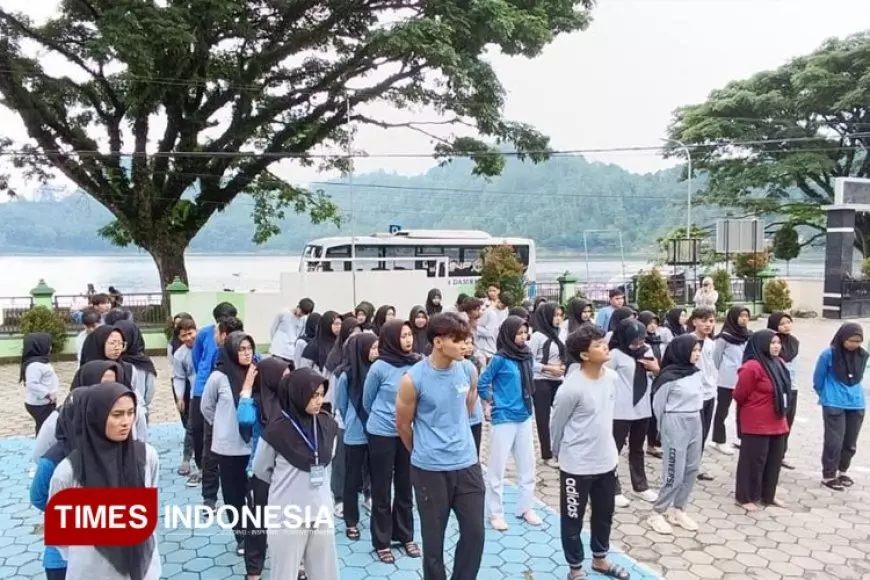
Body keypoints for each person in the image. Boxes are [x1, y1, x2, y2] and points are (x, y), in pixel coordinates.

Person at [396, 312, 484, 580]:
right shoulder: (414, 379)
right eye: (457, 340)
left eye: (466, 340)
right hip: (430, 470)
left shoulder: (468, 370)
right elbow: (402, 425)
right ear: (437, 342)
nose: (464, 346)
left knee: (475, 533)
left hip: (467, 464)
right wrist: (423, 452)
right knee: (433, 542)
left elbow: (467, 410)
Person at [49, 383, 161, 579]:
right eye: (117, 415)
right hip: (90, 570)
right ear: (96, 417)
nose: (126, 422)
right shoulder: (69, 471)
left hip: (142, 568)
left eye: (130, 413)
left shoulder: (147, 456)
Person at [551, 325, 628, 580]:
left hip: (606, 461)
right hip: (577, 465)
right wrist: (559, 455)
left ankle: (600, 559)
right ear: (584, 355)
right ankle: (575, 567)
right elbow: (557, 424)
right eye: (597, 345)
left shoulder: (612, 378)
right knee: (573, 519)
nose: (604, 346)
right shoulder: (571, 388)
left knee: (604, 514)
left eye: (603, 342)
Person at [253, 368, 340, 580]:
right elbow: (261, 469)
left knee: (325, 572)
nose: (319, 401)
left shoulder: (328, 425)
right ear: (298, 394)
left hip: (320, 511)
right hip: (287, 515)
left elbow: (329, 457)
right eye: (313, 395)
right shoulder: (276, 431)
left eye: (321, 394)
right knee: (285, 573)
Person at [362, 319, 421, 562]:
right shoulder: (379, 367)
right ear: (391, 339)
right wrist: (384, 418)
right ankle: (382, 540)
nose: (408, 339)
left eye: (410, 335)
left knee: (406, 486)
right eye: (403, 335)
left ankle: (405, 536)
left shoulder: (418, 364)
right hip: (382, 434)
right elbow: (367, 401)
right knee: (382, 487)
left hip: (407, 432)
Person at [477, 315, 540, 531]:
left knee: (528, 466)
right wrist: (492, 401)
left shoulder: (527, 356)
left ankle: (525, 507)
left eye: (525, 333)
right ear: (508, 334)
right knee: (497, 468)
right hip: (503, 418)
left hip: (524, 416)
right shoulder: (500, 359)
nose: (523, 337)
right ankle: (495, 513)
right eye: (518, 333)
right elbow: (483, 382)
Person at [201, 330, 258, 554]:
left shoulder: (255, 373)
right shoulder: (219, 377)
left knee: (254, 493)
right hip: (228, 447)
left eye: (249, 349)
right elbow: (206, 407)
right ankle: (241, 536)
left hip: (253, 444)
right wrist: (224, 425)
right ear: (232, 351)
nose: (246, 353)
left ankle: (256, 533)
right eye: (241, 349)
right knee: (233, 494)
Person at [647, 334, 704, 534]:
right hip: (675, 421)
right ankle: (657, 512)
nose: (697, 354)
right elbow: (658, 406)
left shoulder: (696, 372)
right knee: (674, 471)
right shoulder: (668, 377)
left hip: (695, 421)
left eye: (698, 350)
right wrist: (663, 430)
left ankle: (678, 509)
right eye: (693, 350)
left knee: (691, 468)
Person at [733, 329, 791, 511]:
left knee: (773, 461)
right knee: (753, 461)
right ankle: (745, 497)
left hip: (778, 421)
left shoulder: (780, 363)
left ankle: (768, 495)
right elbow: (740, 394)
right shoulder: (752, 367)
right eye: (772, 343)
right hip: (756, 423)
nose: (776, 346)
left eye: (778, 343)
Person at [813, 322, 868, 491]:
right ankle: (829, 475)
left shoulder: (863, 355)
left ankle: (842, 471)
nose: (854, 344)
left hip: (856, 403)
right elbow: (818, 379)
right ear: (842, 338)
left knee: (850, 441)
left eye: (858, 341)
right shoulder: (828, 354)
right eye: (851, 340)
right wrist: (826, 395)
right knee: (834, 441)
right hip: (833, 403)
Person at [335, 332, 379, 540]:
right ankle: (351, 521)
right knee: (352, 478)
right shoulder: (346, 376)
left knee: (377, 475)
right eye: (372, 348)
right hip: (355, 432)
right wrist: (357, 420)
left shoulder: (378, 371)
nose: (376, 352)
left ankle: (377, 514)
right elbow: (341, 405)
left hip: (378, 431)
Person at [711, 306, 752, 455]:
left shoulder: (748, 336)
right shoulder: (724, 337)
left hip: (745, 379)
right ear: (733, 317)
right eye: (741, 315)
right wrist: (726, 370)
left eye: (746, 316)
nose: (744, 318)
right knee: (723, 409)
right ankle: (719, 440)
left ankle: (743, 438)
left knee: (744, 410)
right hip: (727, 380)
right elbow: (716, 359)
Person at [767, 312, 800, 470]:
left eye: (789, 322)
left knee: (787, 424)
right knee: (775, 422)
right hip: (776, 389)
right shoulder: (769, 343)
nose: (787, 326)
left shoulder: (794, 342)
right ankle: (770, 456)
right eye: (782, 323)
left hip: (792, 388)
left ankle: (781, 455)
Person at [21, 332, 59, 437]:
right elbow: (32, 384)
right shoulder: (35, 365)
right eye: (48, 345)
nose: (50, 347)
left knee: (43, 426)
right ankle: (42, 447)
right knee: (44, 427)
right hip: (39, 404)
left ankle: (41, 443)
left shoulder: (42, 362)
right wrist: (48, 394)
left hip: (45, 402)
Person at [269, 298, 315, 363]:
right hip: (278, 349)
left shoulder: (304, 319)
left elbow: (300, 335)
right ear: (298, 306)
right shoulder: (283, 313)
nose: (300, 315)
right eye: (301, 312)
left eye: (303, 314)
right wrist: (273, 344)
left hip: (291, 352)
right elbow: (273, 329)